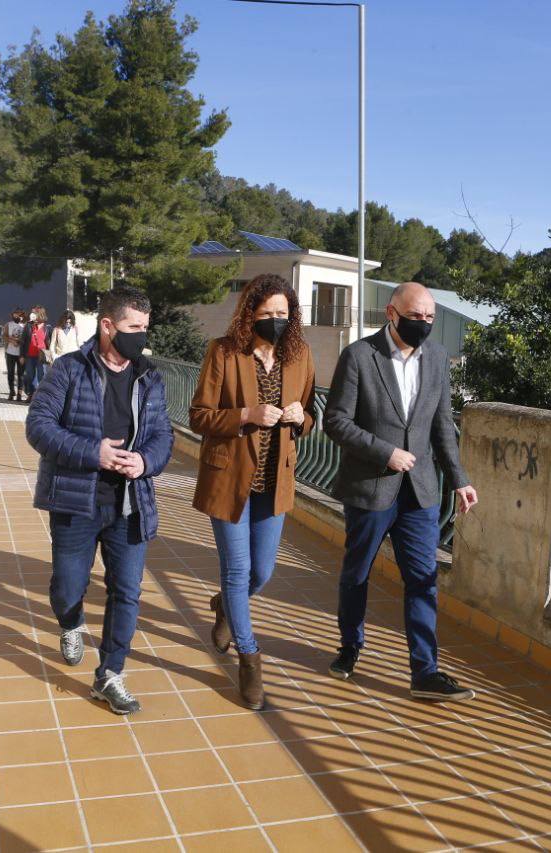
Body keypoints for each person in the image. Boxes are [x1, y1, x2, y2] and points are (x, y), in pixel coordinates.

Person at [322, 281, 480, 701]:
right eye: (416, 317)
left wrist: (460, 478)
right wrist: (385, 453)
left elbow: (442, 425)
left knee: (423, 580)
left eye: (430, 317)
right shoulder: (359, 356)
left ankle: (425, 671)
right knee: (357, 574)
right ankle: (350, 647)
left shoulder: (438, 359)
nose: (424, 324)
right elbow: (336, 421)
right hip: (372, 488)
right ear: (392, 314)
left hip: (420, 492)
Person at [25, 287, 173, 715]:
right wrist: (95, 452)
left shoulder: (151, 377)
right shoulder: (70, 370)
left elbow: (164, 435)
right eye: (133, 328)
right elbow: (38, 426)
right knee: (69, 586)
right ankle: (71, 622)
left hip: (130, 503)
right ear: (107, 326)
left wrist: (145, 462)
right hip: (76, 501)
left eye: (145, 328)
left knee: (127, 591)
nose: (141, 337)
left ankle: (110, 673)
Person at [190, 274, 315, 710]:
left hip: (273, 482)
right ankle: (249, 658)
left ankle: (226, 605)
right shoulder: (224, 352)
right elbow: (200, 416)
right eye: (268, 314)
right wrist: (246, 414)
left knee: (260, 573)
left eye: (283, 314)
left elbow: (311, 416)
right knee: (238, 568)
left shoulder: (299, 357)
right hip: (229, 478)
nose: (277, 321)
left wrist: (300, 417)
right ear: (250, 314)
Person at [18, 306, 51, 400]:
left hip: (41, 356)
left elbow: (50, 343)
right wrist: (21, 355)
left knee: (41, 376)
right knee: (29, 376)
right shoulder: (28, 325)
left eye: (34, 313)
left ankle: (39, 396)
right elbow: (23, 341)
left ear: (40, 314)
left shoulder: (47, 328)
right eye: (32, 313)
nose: (32, 315)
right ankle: (30, 394)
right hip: (29, 355)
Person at [4, 307, 26, 401]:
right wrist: (12, 340)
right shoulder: (8, 324)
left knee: (21, 374)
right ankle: (11, 391)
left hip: (21, 354)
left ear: (22, 316)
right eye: (15, 314)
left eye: (19, 314)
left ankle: (19, 394)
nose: (17, 316)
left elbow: (27, 340)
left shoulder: (25, 326)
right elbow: (4, 336)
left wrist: (20, 341)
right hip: (10, 352)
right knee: (10, 373)